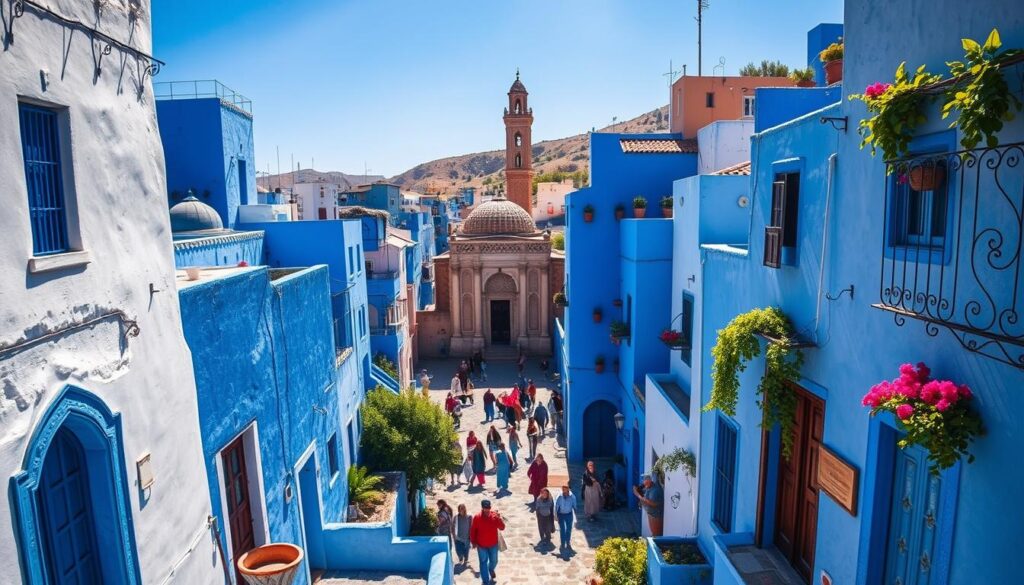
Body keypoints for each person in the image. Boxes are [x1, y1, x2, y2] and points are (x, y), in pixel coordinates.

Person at [469, 500, 505, 585]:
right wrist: (473, 541)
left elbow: (502, 527)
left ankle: (491, 569)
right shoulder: (477, 517)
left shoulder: (494, 516)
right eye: (485, 508)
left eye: (488, 508)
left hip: (493, 544)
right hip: (481, 545)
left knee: (494, 560)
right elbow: (473, 530)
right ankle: (485, 581)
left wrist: (499, 518)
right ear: (482, 508)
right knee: (483, 562)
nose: (487, 510)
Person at [554, 484, 577, 550]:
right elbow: (556, 506)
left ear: (568, 489)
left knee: (569, 529)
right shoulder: (559, 496)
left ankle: (568, 542)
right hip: (561, 515)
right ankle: (562, 543)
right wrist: (556, 516)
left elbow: (574, 506)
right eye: (563, 488)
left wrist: (575, 513)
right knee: (562, 530)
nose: (563, 490)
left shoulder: (572, 497)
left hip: (569, 514)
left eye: (565, 488)